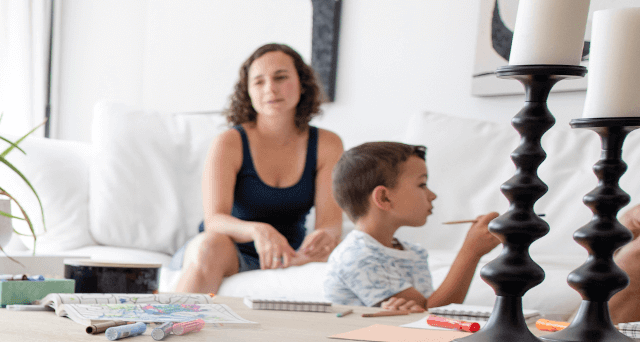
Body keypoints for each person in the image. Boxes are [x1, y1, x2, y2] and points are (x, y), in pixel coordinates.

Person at [173, 43, 346, 294]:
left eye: (281, 77)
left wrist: (323, 241)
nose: (270, 89)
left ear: (302, 83)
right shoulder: (229, 142)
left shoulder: (328, 144)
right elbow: (214, 220)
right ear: (248, 92)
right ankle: (167, 323)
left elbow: (330, 224)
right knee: (212, 244)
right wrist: (257, 230)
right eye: (259, 82)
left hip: (288, 254)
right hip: (224, 250)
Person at [322, 141, 500, 310]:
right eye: (422, 184)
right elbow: (431, 315)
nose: (432, 195)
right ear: (384, 198)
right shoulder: (357, 257)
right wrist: (471, 252)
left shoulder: (413, 252)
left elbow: (426, 310)